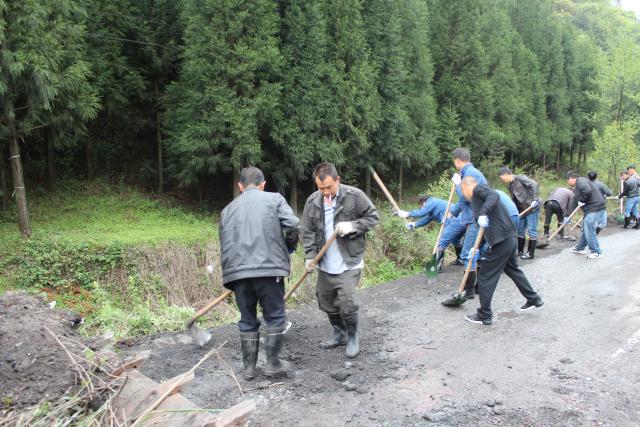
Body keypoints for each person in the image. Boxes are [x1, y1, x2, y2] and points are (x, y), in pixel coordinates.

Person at [219, 167, 300, 380]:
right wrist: (289, 245)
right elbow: (293, 225)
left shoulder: (226, 210)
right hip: (269, 270)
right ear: (263, 184)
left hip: (237, 274)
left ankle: (249, 369)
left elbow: (224, 243)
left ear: (240, 186)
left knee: (247, 320)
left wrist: (232, 276)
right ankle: (273, 363)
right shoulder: (274, 199)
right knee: (274, 316)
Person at [302, 163, 379, 358]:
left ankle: (352, 335)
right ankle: (339, 332)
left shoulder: (354, 196)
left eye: (329, 187)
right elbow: (308, 232)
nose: (326, 192)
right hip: (325, 263)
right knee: (326, 301)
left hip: (349, 260)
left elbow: (373, 217)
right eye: (321, 188)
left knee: (347, 302)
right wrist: (310, 256)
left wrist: (353, 225)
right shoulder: (313, 202)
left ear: (337, 180)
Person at [459, 176, 544, 325]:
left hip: (502, 240)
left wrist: (483, 212)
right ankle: (533, 298)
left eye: (462, 190)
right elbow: (484, 228)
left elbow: (494, 195)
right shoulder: (477, 200)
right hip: (508, 237)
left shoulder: (478, 190)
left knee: (485, 275)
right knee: (513, 270)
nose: (463, 194)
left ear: (466, 187)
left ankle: (484, 315)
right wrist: (476, 247)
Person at [441, 148, 488, 306]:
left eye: (454, 161)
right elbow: (462, 202)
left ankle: (468, 291)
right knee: (474, 253)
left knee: (469, 253)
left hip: (477, 218)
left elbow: (468, 197)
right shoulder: (469, 173)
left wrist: (459, 185)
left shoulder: (470, 174)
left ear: (458, 160)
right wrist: (451, 213)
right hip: (475, 217)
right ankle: (473, 289)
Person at [395, 194, 462, 271]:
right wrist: (414, 224)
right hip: (461, 220)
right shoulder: (434, 209)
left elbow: (422, 212)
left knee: (441, 242)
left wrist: (407, 213)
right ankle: (461, 259)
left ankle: (436, 267)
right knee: (456, 240)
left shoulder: (432, 201)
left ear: (424, 201)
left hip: (455, 221)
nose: (422, 207)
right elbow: (426, 219)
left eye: (421, 205)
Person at [498, 167, 540, 260]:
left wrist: (535, 199)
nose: (502, 180)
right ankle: (520, 251)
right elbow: (515, 200)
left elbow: (534, 184)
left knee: (532, 230)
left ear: (506, 174)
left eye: (502, 178)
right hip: (521, 210)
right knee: (520, 230)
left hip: (531, 207)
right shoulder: (510, 185)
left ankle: (530, 253)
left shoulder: (520, 178)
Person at [567, 171, 606, 258]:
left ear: (571, 178)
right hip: (592, 208)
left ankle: (597, 252)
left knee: (589, 230)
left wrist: (582, 200)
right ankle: (580, 248)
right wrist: (568, 215)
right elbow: (575, 200)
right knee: (586, 229)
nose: (567, 182)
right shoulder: (580, 183)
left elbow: (587, 191)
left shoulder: (580, 181)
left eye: (567, 180)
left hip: (594, 208)